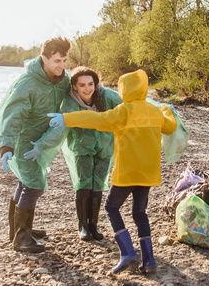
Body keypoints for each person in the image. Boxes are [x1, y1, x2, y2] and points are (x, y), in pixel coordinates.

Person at [48, 69, 177, 274]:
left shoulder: (123, 111)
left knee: (111, 208)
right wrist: (166, 111)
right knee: (140, 213)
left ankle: (127, 253)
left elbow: (95, 119)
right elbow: (170, 127)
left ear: (124, 89)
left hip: (127, 173)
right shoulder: (153, 111)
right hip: (148, 173)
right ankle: (149, 260)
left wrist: (66, 118)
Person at [0, 36, 71, 253]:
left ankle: (18, 229)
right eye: (56, 61)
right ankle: (21, 238)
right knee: (34, 184)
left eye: (64, 60)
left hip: (42, 139)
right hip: (23, 140)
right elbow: (12, 115)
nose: (61, 66)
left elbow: (83, 91)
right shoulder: (28, 83)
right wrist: (6, 147)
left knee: (26, 181)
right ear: (43, 58)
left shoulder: (63, 79)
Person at [44, 66, 121, 241]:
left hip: (105, 145)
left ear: (96, 84)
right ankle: (83, 225)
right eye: (82, 85)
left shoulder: (107, 96)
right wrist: (41, 145)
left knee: (98, 184)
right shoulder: (70, 101)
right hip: (81, 146)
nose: (87, 89)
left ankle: (93, 223)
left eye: (90, 84)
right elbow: (57, 126)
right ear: (75, 87)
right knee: (83, 184)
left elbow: (130, 105)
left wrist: (158, 109)